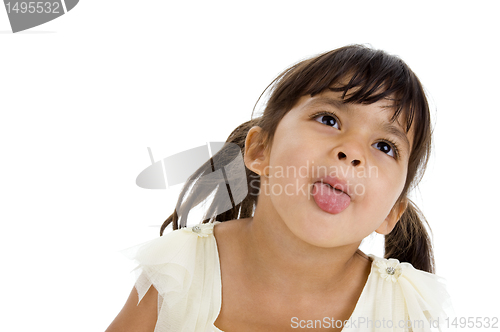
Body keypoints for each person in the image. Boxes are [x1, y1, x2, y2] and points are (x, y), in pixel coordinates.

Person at [106, 45, 453, 332]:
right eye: (329, 120)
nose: (352, 152)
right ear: (260, 151)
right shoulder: (183, 270)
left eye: (384, 146)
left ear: (391, 212)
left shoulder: (402, 313)